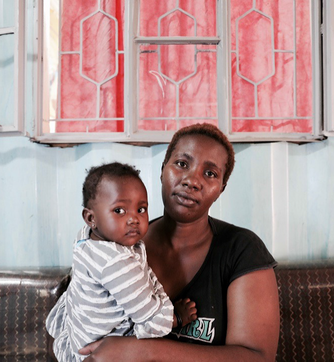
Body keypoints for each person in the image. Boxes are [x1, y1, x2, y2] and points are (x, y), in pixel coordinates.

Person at [65, 123, 279, 361]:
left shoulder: (241, 249)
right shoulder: (113, 247)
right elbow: (79, 322)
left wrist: (142, 350)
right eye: (182, 164)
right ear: (162, 169)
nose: (191, 180)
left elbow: (258, 357)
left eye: (210, 174)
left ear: (221, 189)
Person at [46, 162, 198, 361]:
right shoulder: (117, 263)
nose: (133, 219)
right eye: (119, 211)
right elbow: (149, 317)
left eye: (141, 209)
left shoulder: (86, 239)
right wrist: (176, 318)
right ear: (90, 218)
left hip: (80, 335)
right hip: (101, 351)